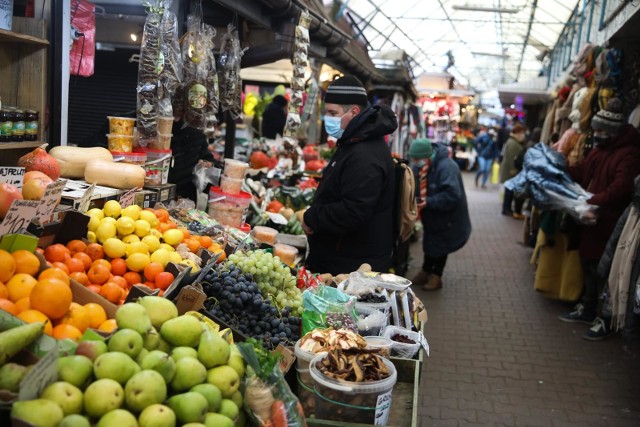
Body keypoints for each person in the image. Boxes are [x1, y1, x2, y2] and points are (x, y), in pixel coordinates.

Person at [558, 98, 640, 340]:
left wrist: (592, 201)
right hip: (592, 220)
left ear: (613, 131)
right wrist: (564, 168)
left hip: (610, 222)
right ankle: (588, 307)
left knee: (605, 269)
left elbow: (621, 188)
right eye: (596, 129)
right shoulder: (599, 149)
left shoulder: (629, 154)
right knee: (588, 264)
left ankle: (604, 319)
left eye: (601, 130)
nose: (596, 134)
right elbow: (584, 172)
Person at [302, 75, 397, 275]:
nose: (327, 118)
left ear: (353, 112)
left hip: (353, 265)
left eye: (332, 113)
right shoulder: (355, 141)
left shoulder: (365, 155)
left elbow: (354, 210)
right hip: (344, 254)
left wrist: (312, 217)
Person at [409, 138, 471, 291]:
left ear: (427, 156)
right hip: (432, 213)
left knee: (441, 244)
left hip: (447, 215)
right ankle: (426, 270)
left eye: (417, 159)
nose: (415, 162)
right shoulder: (422, 166)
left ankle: (437, 275)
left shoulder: (447, 167)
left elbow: (452, 195)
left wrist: (429, 201)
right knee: (430, 242)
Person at [168, 119, 215, 203]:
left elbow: (209, 158)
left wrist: (207, 163)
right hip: (165, 188)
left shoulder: (197, 135)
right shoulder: (162, 131)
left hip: (187, 194)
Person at [500, 123, 526, 218]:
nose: (523, 135)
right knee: (509, 192)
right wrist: (513, 169)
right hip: (510, 171)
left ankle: (507, 209)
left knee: (509, 191)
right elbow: (511, 157)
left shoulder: (512, 141)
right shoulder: (512, 142)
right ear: (518, 132)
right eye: (522, 132)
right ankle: (506, 209)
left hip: (509, 170)